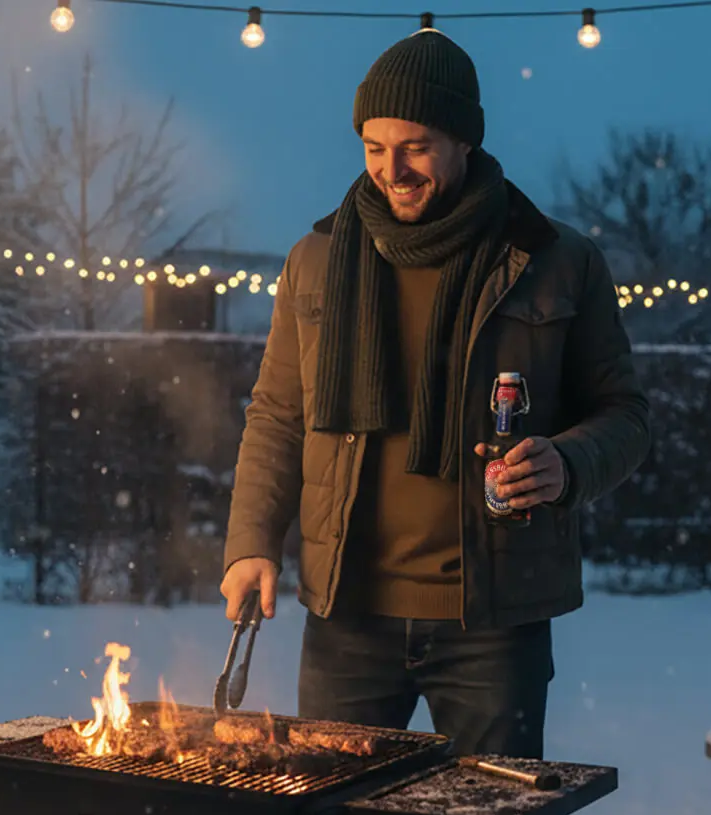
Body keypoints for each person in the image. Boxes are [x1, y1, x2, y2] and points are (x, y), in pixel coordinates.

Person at [219, 28, 650, 769]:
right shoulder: (317, 261)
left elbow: (625, 414)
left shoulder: (557, 261)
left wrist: (569, 463)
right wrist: (252, 542)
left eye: (415, 146)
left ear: (463, 141)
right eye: (374, 147)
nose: (392, 170)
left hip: (491, 623)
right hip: (347, 616)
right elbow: (279, 417)